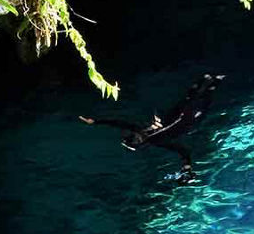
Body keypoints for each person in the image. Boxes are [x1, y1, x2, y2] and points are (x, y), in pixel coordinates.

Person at [79, 73, 225, 179]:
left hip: (174, 116)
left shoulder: (140, 131)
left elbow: (118, 123)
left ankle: (204, 80)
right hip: (187, 121)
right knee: (203, 103)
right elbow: (182, 150)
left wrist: (96, 121)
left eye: (132, 138)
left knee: (188, 98)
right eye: (135, 140)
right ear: (140, 144)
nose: (136, 137)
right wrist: (187, 166)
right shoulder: (156, 140)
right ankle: (213, 85)